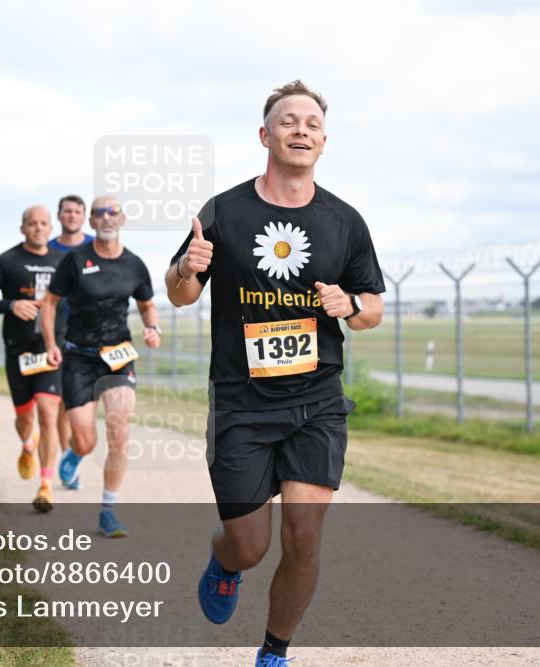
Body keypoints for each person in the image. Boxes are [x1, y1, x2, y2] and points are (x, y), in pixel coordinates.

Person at [165, 81, 386, 667]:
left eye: (311, 123)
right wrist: (188, 268)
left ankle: (274, 652)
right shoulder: (225, 211)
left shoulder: (344, 221)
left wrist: (351, 307)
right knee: (250, 545)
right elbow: (180, 294)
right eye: (288, 121)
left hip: (317, 401)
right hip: (242, 403)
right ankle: (224, 562)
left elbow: (373, 309)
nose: (300, 130)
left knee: (304, 535)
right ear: (265, 136)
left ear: (323, 140)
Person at [42, 195, 161, 537]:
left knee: (119, 431)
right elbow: (49, 304)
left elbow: (147, 304)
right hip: (78, 356)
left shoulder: (135, 264)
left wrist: (152, 328)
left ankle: (108, 510)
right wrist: (51, 344)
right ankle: (74, 456)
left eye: (113, 212)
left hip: (118, 355)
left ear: (122, 219)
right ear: (91, 223)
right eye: (100, 214)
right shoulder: (76, 260)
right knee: (85, 441)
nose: (107, 218)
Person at [0, 205, 66, 513]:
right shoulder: (7, 260)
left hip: (50, 348)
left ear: (51, 227)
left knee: (48, 412)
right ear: (23, 228)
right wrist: (12, 305)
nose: (38, 228)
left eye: (43, 223)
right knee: (25, 418)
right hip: (18, 349)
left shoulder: (63, 261)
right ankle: (28, 445)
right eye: (32, 223)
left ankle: (46, 486)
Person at [49, 194, 94, 491]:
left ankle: (76, 449)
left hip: (94, 331)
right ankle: (70, 458)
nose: (72, 215)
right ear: (59, 215)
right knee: (66, 402)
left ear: (84, 216)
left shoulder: (95, 246)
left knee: (92, 402)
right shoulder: (48, 249)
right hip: (60, 330)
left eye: (77, 211)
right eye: (67, 211)